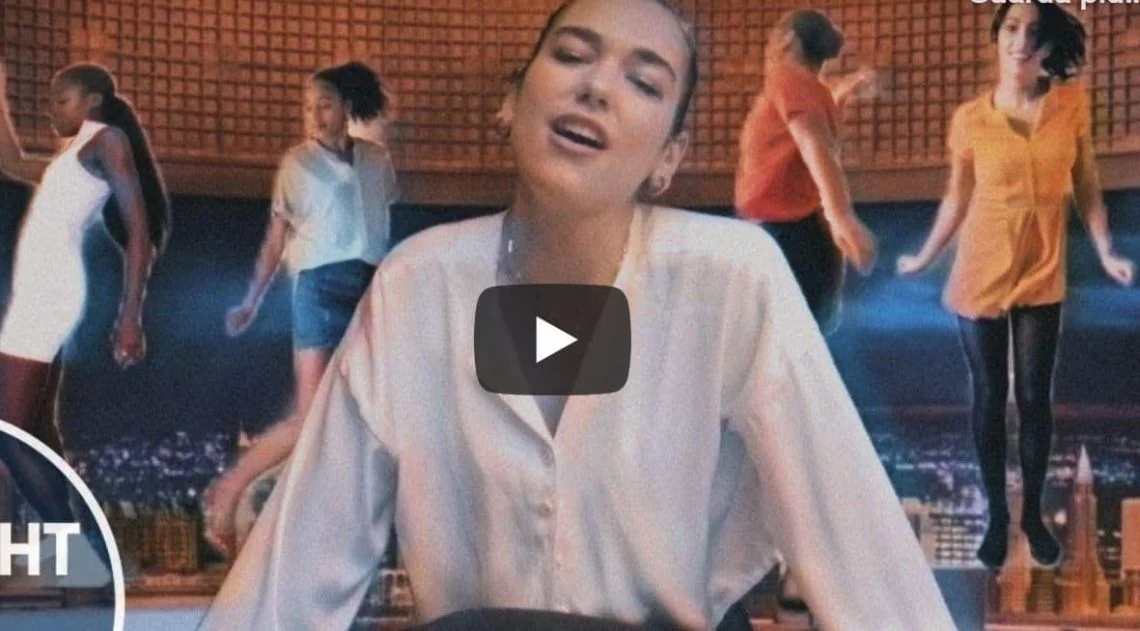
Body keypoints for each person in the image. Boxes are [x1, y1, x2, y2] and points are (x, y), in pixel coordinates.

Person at [200, 1, 955, 629]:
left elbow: (860, 550)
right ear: (514, 102)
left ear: (668, 157)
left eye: (643, 81)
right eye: (571, 56)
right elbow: (292, 578)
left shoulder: (734, 279)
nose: (596, 87)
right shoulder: (416, 286)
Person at [897, 1, 1134, 571]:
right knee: (987, 395)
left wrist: (1106, 250)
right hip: (981, 267)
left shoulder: (1070, 106)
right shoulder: (970, 119)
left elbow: (1087, 186)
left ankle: (1031, 516)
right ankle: (997, 519)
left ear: (1048, 45)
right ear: (997, 36)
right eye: (1011, 28)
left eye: (1033, 32)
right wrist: (924, 256)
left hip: (1041, 267)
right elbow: (957, 198)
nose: (1021, 41)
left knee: (1032, 397)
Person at [201, 61, 400, 557]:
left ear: (347, 107)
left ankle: (325, 531)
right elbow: (276, 238)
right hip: (317, 286)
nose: (314, 114)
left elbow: (380, 226)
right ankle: (229, 490)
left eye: (324, 104)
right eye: (308, 107)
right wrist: (251, 301)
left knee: (362, 414)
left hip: (369, 288)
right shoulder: (296, 164)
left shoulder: (376, 160)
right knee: (313, 417)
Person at [0, 61, 170, 585]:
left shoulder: (107, 140)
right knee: (36, 432)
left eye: (62, 100)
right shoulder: (71, 154)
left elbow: (140, 233)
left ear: (92, 100)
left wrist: (130, 316)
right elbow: (11, 160)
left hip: (48, 294)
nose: (53, 111)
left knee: (9, 433)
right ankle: (86, 557)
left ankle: (76, 557)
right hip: (38, 292)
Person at [734, 9, 877, 336]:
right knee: (796, 340)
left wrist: (842, 216)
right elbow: (812, 130)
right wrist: (850, 85)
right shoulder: (811, 90)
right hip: (794, 233)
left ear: (789, 41)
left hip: (790, 237)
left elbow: (815, 146)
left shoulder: (788, 80)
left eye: (775, 35)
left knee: (786, 342)